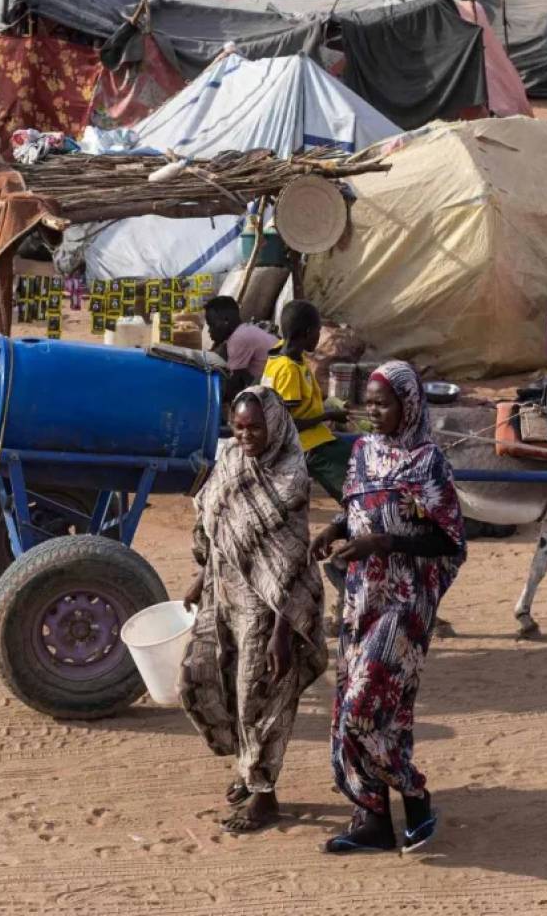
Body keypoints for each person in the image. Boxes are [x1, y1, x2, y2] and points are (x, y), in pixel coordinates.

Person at [309, 361, 465, 855]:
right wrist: (336, 529)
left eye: (383, 404)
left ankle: (416, 794)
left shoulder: (428, 462)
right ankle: (373, 819)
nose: (372, 412)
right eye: (369, 403)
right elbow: (358, 505)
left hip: (405, 604)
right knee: (384, 712)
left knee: (361, 708)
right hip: (361, 599)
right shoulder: (361, 452)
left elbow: (448, 539)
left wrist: (383, 543)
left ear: (408, 405)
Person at [179, 387, 326, 835]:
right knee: (202, 680)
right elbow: (215, 520)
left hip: (268, 610)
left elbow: (293, 561)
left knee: (258, 698)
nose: (245, 435)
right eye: (239, 426)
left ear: (276, 427)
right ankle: (247, 768)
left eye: (255, 428)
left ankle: (265, 794)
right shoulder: (231, 461)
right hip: (223, 596)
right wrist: (203, 577)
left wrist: (284, 630)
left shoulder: (289, 480)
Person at [263, 301, 351, 501]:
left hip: (315, 437)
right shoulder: (288, 371)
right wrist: (328, 415)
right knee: (351, 482)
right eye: (318, 332)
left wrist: (331, 402)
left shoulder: (283, 354)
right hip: (305, 445)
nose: (319, 337)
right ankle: (357, 510)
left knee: (354, 451)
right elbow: (287, 424)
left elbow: (307, 396)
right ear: (307, 332)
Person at [205, 296, 277, 403]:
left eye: (212, 325)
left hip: (274, 393)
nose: (209, 331)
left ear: (226, 321)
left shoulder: (239, 339)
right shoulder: (245, 330)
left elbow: (232, 385)